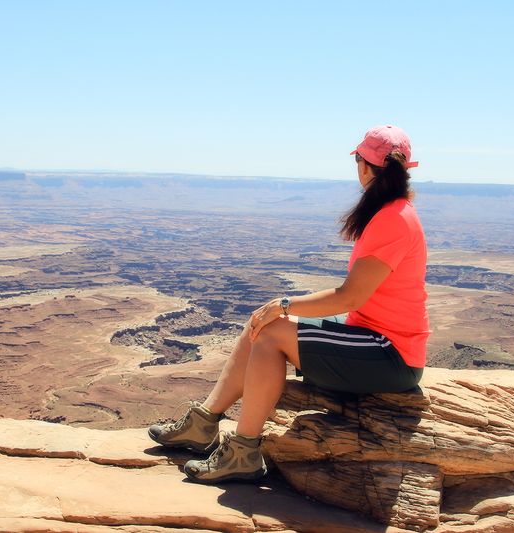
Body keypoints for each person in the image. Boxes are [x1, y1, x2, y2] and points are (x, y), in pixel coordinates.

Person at [148, 125, 430, 484]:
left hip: (391, 355)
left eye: (358, 159)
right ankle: (203, 423)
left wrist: (284, 305)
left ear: (364, 165)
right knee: (259, 326)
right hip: (375, 340)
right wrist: (276, 310)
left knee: (272, 332)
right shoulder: (393, 212)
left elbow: (350, 296)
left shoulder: (392, 219)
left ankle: (243, 452)